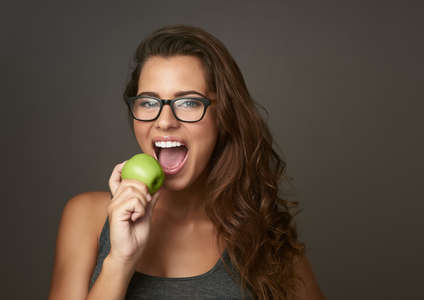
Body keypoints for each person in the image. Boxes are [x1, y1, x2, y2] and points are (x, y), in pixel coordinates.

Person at [48, 25, 325, 300]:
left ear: (223, 116)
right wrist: (120, 260)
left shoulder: (261, 230)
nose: (164, 121)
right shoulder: (87, 216)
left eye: (189, 103)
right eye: (148, 102)